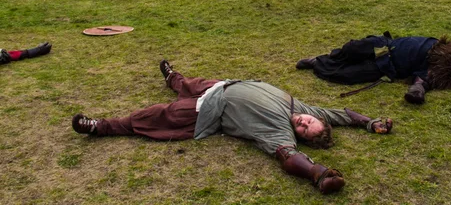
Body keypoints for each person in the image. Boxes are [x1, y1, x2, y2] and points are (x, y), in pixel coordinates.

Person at [71, 60, 393, 194]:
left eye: (304, 131)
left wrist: (317, 173)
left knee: (153, 116)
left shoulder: (279, 131)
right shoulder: (304, 109)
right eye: (311, 122)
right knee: (186, 82)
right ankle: (171, 77)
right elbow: (343, 114)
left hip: (208, 110)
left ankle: (101, 126)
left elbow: (286, 156)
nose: (304, 123)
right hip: (222, 85)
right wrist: (370, 122)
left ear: (300, 137)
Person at [296, 33, 451, 105]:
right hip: (386, 44)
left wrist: (418, 90)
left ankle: (316, 64)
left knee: (347, 75)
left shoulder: (441, 67)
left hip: (386, 67)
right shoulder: (447, 45)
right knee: (352, 48)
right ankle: (324, 57)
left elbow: (426, 79)